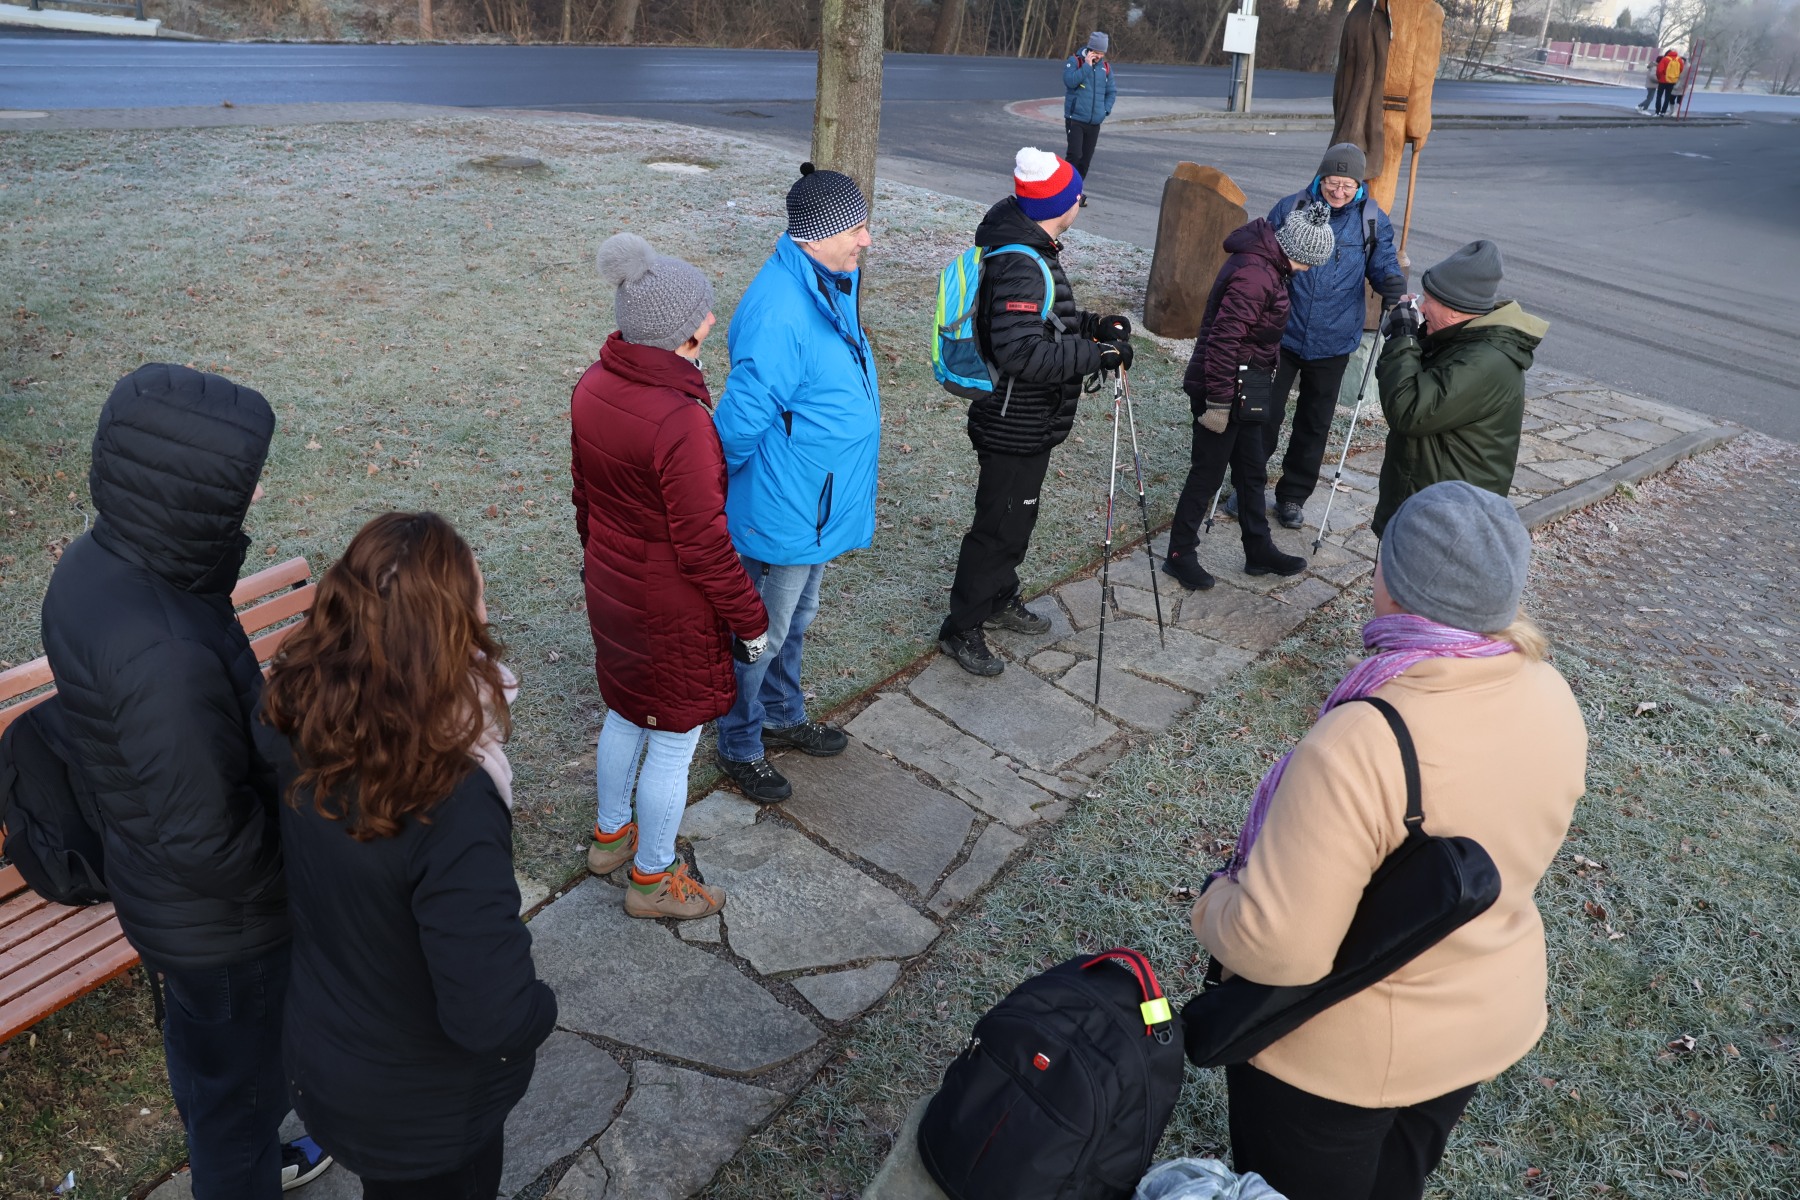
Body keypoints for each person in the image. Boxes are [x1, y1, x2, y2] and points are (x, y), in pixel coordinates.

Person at [1190, 480, 1587, 1200]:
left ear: (1396, 585)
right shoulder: (1550, 692)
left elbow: (1279, 949)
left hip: (1338, 1059)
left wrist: (1214, 899)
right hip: (1479, 1022)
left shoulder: (1362, 741)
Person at [39, 364, 329, 1198]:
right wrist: (308, 875)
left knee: (212, 1069)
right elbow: (210, 841)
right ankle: (238, 1168)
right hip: (224, 925)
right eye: (241, 481)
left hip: (162, 889)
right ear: (187, 489)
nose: (254, 494)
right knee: (239, 1088)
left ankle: (240, 1154)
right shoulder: (161, 649)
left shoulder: (104, 563)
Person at [258, 512, 558, 1200]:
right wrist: (539, 1010)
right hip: (425, 1110)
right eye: (477, 596)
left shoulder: (299, 716)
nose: (487, 610)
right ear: (449, 629)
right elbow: (491, 1014)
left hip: (328, 1049)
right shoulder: (452, 798)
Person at [573, 232, 769, 919]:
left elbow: (584, 499)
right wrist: (750, 620)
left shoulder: (593, 385)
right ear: (681, 334)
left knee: (626, 712)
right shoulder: (681, 422)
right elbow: (704, 545)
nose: (712, 318)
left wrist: (604, 568)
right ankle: (652, 880)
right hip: (669, 609)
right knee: (673, 740)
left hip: (613, 589)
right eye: (703, 314)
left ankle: (609, 838)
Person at [711, 164, 880, 802]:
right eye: (856, 228)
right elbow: (739, 420)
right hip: (786, 501)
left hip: (816, 495)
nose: (866, 240)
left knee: (797, 616)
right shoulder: (780, 309)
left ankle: (782, 714)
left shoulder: (826, 280)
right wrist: (713, 490)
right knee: (764, 631)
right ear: (818, 234)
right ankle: (740, 742)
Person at [936, 147, 1132, 677]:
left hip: (1028, 419)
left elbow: (1046, 323)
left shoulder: (1029, 248)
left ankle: (999, 598)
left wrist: (1093, 326)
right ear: (1058, 205)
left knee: (1016, 516)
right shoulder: (1021, 262)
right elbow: (1022, 353)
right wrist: (1098, 355)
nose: (1080, 205)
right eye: (1078, 198)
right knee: (997, 526)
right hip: (1011, 421)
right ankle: (962, 627)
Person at [1161, 203, 1335, 593]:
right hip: (1222, 387)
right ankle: (1179, 554)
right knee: (1207, 474)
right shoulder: (1255, 276)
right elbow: (1223, 342)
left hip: (1250, 382)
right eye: (1310, 262)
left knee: (1252, 471)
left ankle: (1258, 549)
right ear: (1297, 251)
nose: (1309, 269)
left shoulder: (1272, 268)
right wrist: (1219, 403)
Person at [1245, 142, 1405, 531]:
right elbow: (1264, 257)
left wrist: (1391, 283)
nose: (1339, 191)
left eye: (1348, 185)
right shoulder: (1291, 208)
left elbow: (1382, 261)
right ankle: (1248, 488)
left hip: (1334, 338)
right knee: (1262, 414)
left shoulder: (1371, 219)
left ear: (1359, 185)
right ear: (1321, 177)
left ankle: (1292, 497)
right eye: (1333, 181)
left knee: (1314, 424)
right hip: (1282, 332)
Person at [1371, 239, 1548, 537]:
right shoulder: (1464, 339)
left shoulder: (1482, 362)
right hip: (1428, 497)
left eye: (1429, 301)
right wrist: (1415, 337)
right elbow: (1417, 385)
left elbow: (1408, 410)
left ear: (1454, 310)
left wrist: (1404, 338)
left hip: (1446, 520)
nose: (1422, 307)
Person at [1062, 31, 1116, 204]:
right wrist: (1086, 65)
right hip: (1075, 119)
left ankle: (1075, 193)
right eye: (1096, 52)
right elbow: (1070, 82)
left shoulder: (1105, 68)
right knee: (1074, 155)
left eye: (1102, 53)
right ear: (1090, 49)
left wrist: (1105, 111)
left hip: (1094, 122)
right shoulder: (1075, 61)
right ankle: (1063, 191)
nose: (1099, 56)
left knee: (1085, 160)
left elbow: (1111, 92)